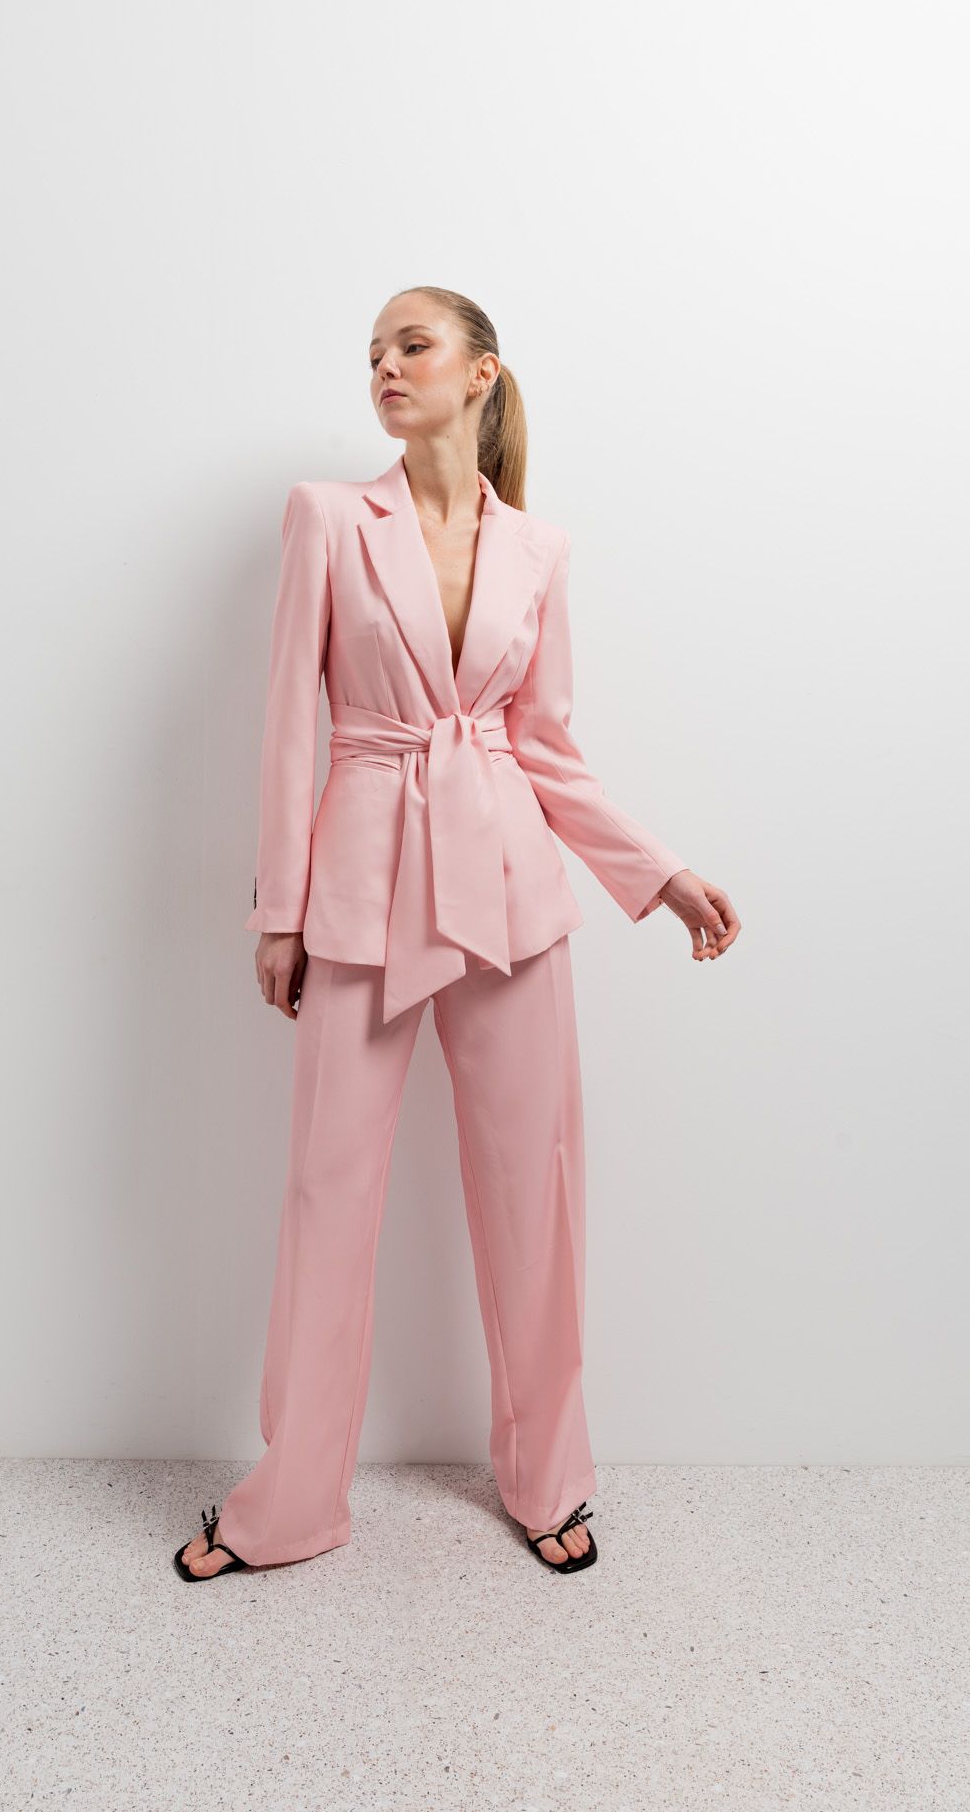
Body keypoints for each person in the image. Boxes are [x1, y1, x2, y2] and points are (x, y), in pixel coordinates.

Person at [174, 286, 740, 1583]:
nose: (385, 365)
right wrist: (281, 910)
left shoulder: (539, 549)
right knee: (328, 1195)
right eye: (373, 351)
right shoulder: (328, 516)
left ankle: (549, 1478)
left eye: (412, 345)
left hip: (510, 894)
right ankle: (293, 1501)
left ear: (481, 371)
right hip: (361, 891)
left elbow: (548, 748)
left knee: (536, 1193)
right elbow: (289, 721)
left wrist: (657, 873)